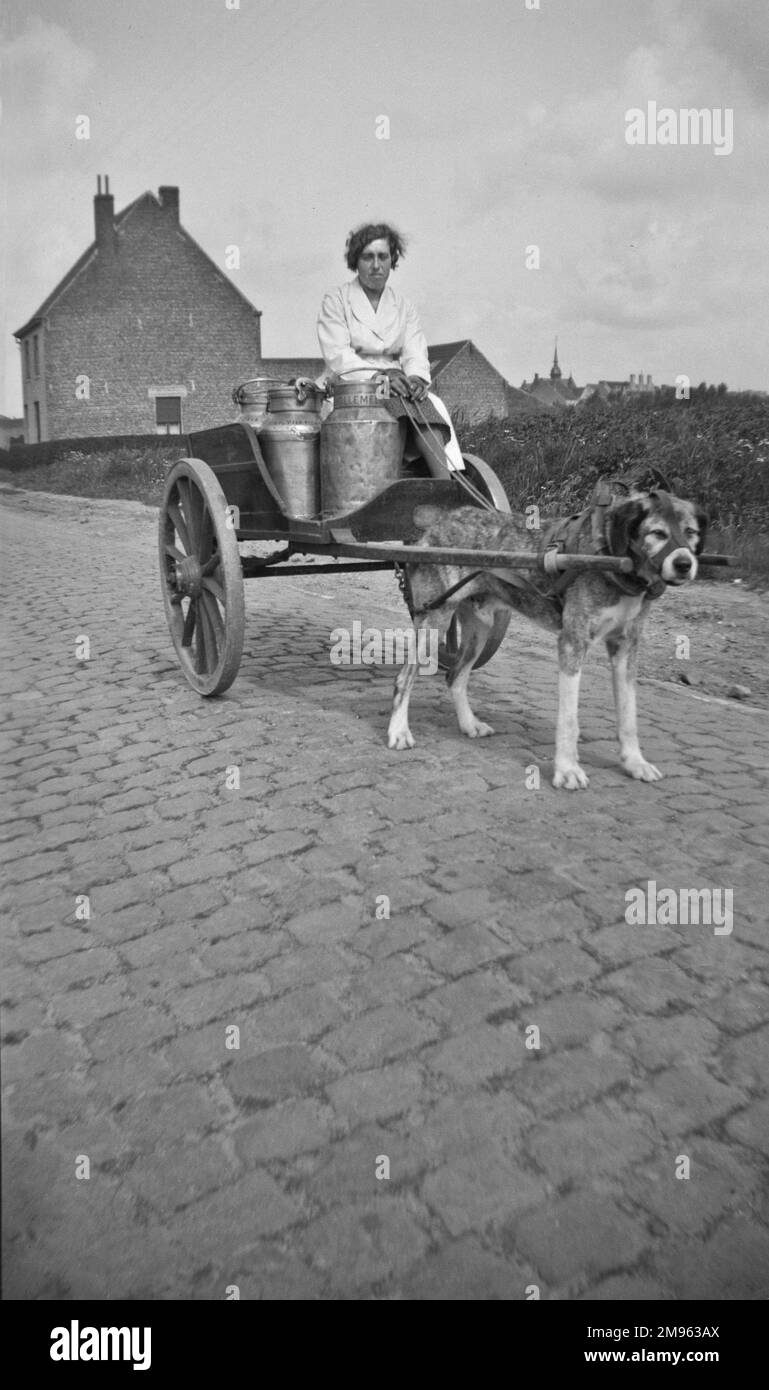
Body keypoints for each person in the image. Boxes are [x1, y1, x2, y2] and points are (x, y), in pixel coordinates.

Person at [315, 222, 465, 473]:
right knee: (392, 401)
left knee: (428, 403)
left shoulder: (403, 306)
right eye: (368, 257)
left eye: (383, 257)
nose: (376, 265)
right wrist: (378, 377)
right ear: (356, 261)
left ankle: (447, 481)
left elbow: (415, 351)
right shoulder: (336, 300)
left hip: (399, 381)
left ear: (392, 260)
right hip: (352, 381)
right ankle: (388, 478)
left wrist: (416, 379)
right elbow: (337, 353)